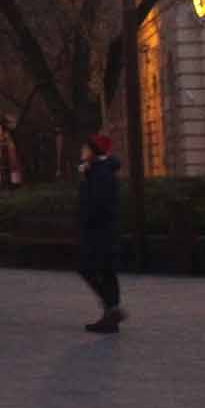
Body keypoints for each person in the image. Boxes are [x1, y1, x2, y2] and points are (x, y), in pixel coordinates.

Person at [78, 133, 124, 334]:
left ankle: (112, 310)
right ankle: (110, 316)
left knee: (89, 268)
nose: (82, 151)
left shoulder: (100, 173)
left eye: (85, 148)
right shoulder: (99, 171)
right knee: (106, 272)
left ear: (93, 152)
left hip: (99, 232)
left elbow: (96, 203)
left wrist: (86, 221)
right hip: (105, 230)